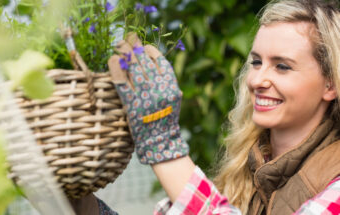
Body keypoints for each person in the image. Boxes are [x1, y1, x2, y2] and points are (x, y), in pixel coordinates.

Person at [74, 0, 340, 214]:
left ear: (330, 84)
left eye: (282, 66)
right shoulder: (248, 172)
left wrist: (162, 142)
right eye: (256, 62)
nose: (257, 79)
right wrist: (85, 206)